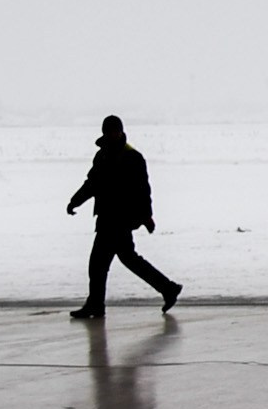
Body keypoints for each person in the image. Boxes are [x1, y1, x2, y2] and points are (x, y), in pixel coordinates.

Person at [65, 115, 182, 320]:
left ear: (121, 131)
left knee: (99, 264)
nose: (112, 134)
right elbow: (92, 183)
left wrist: (147, 216)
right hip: (106, 217)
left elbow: (143, 190)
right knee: (126, 259)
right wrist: (75, 201)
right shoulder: (102, 155)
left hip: (121, 219)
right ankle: (168, 288)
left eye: (115, 131)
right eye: (108, 131)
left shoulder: (132, 157)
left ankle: (96, 304)